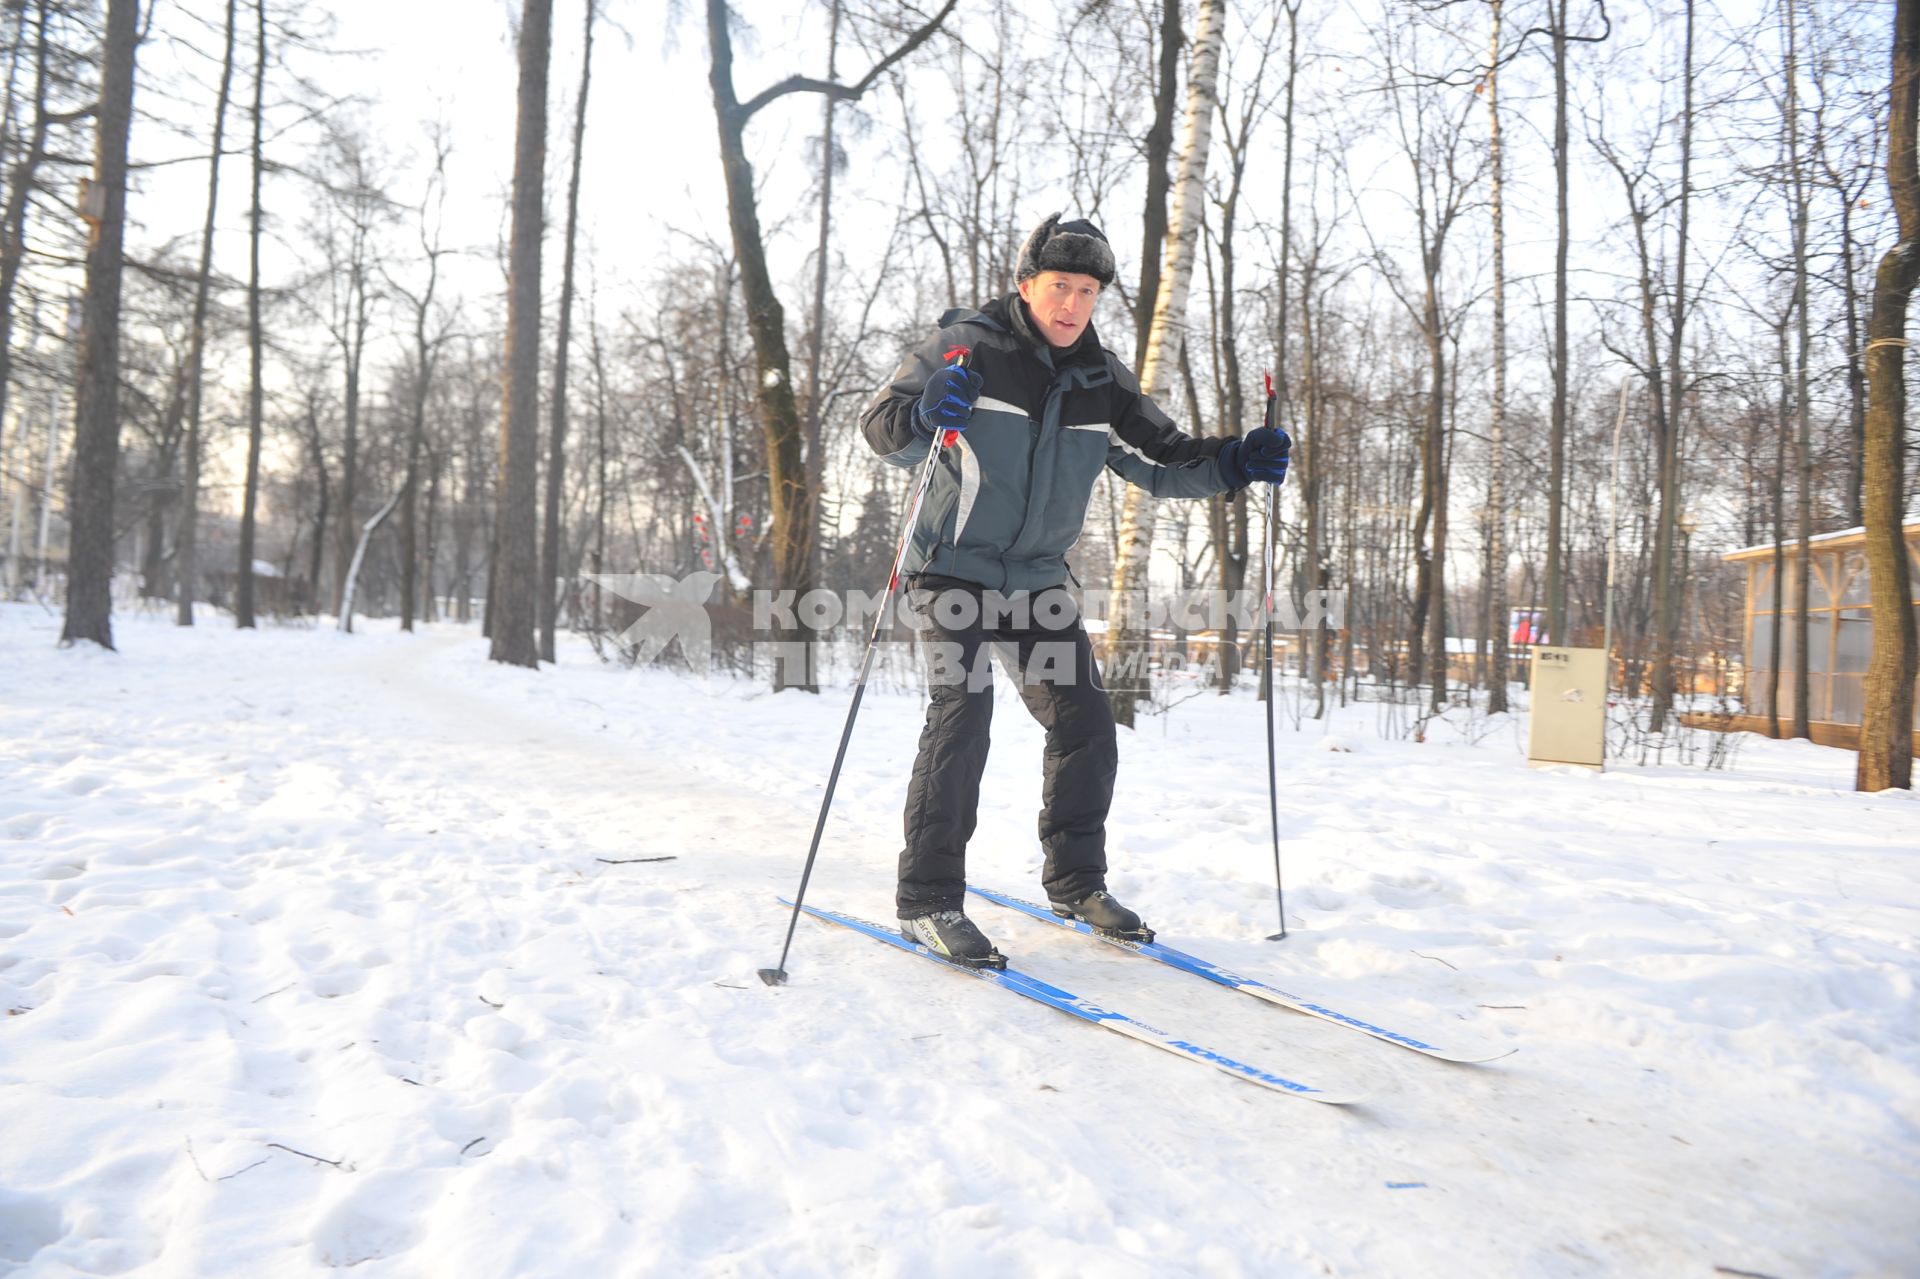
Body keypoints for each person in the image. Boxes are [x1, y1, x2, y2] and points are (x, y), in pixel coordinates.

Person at [859, 212, 1291, 967]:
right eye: (1060, 287)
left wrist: (1234, 462)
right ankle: (927, 897)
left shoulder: (1101, 380)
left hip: (1033, 583)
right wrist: (927, 413)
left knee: (1087, 720)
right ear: (1026, 285)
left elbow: (1162, 457)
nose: (1072, 305)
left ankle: (1075, 881)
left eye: (1088, 292)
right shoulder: (967, 348)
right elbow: (879, 425)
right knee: (963, 712)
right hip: (950, 569)